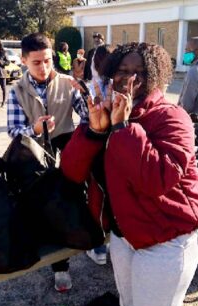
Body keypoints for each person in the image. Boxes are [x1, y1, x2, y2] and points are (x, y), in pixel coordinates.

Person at [61, 42, 198, 306]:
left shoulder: (171, 117)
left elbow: (155, 180)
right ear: (111, 74)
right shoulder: (107, 111)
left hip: (168, 239)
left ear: (155, 76)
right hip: (125, 236)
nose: (131, 79)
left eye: (141, 72)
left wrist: (123, 128)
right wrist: (94, 131)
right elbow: (71, 171)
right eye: (123, 71)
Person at [6, 32, 88, 292]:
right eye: (37, 62)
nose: (44, 67)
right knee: (36, 206)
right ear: (24, 61)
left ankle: (63, 265)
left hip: (64, 153)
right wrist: (35, 129)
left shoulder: (67, 83)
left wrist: (87, 94)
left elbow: (87, 117)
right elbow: (13, 130)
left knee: (67, 203)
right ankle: (39, 254)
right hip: (33, 156)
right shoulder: (17, 90)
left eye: (48, 60)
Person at [85, 44, 112, 266]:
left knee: (97, 199)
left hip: (98, 150)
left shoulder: (93, 87)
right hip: (120, 149)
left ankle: (99, 247)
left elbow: (87, 121)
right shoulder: (122, 84)